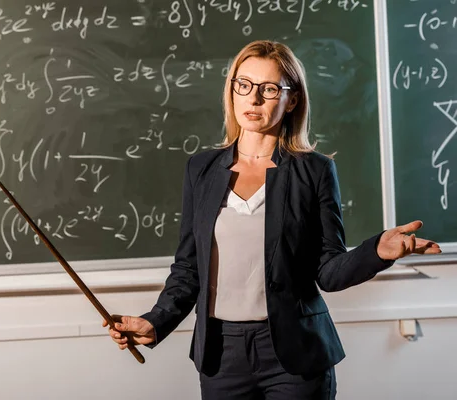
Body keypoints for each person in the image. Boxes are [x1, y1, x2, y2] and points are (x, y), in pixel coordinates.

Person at [102, 40, 441, 399]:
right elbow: (189, 269)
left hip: (294, 355)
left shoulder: (315, 171)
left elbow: (328, 271)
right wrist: (156, 321)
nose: (254, 99)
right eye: (243, 85)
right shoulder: (201, 170)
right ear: (232, 90)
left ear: (291, 99)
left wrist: (378, 251)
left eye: (269, 89)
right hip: (222, 354)